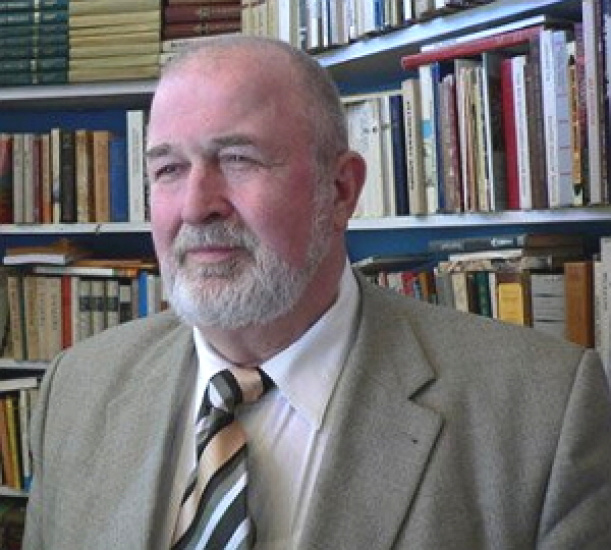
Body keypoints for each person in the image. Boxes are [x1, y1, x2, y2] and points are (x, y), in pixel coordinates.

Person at [23, 35, 611, 550]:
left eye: (238, 159)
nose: (197, 206)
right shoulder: (78, 388)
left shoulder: (542, 413)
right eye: (168, 169)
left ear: (341, 189)